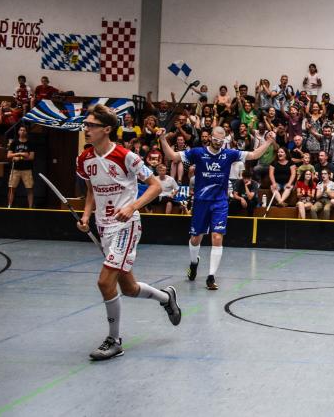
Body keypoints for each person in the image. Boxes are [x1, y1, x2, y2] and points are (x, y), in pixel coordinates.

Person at [75, 104, 181, 361]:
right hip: (103, 227)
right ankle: (166, 297)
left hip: (127, 225)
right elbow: (91, 191)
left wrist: (132, 206)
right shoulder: (84, 159)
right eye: (86, 124)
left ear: (106, 129)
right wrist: (87, 216)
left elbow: (155, 186)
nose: (86, 129)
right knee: (129, 287)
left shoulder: (126, 156)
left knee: (104, 282)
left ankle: (114, 340)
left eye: (91, 125)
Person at [161, 125, 275, 290]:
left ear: (224, 140)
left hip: (220, 202)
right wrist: (163, 139)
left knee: (217, 237)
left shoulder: (229, 154)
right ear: (209, 137)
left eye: (220, 141)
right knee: (196, 238)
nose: (217, 143)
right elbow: (171, 155)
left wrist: (269, 141)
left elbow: (254, 154)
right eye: (214, 139)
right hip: (201, 201)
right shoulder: (198, 152)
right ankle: (194, 264)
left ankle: (211, 277)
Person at [7, 124, 35, 208]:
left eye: (24, 130)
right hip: (15, 169)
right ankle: (9, 206)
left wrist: (20, 157)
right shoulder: (14, 142)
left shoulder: (30, 143)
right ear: (18, 132)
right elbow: (8, 155)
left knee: (29, 188)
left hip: (27, 169)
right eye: (21, 130)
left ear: (26, 132)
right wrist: (20, 154)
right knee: (12, 188)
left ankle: (30, 207)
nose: (22, 132)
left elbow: (31, 157)